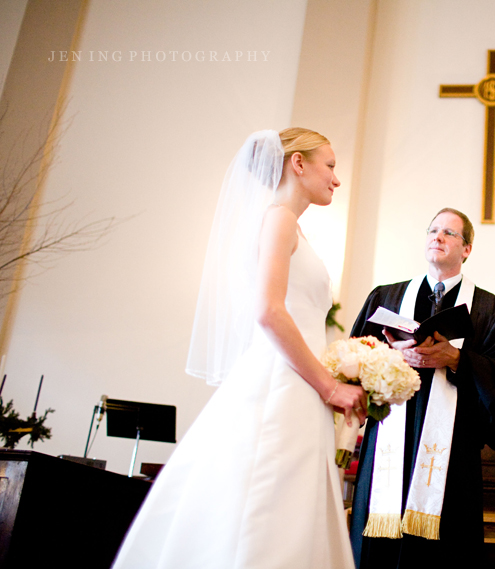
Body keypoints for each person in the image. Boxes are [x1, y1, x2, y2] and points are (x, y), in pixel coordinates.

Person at [112, 128, 367, 569]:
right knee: (269, 506)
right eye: (330, 165)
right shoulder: (279, 218)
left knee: (287, 505)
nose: (336, 179)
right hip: (283, 384)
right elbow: (268, 312)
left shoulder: (290, 224)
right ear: (298, 163)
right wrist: (329, 387)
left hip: (297, 382)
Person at [348, 208, 495, 569]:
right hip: (389, 440)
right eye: (432, 230)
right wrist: (390, 355)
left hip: (452, 452)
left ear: (467, 249)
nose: (437, 237)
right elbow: (353, 359)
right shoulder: (386, 298)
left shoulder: (493, 309)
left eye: (449, 232)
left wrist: (458, 359)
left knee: (444, 551)